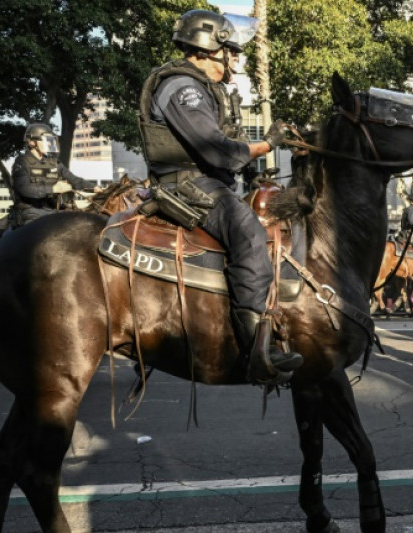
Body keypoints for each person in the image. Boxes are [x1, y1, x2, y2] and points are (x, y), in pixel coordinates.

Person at [139, 9, 302, 383]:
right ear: (211, 49)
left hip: (211, 180)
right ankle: (256, 348)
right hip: (188, 183)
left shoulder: (208, 89)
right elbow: (220, 152)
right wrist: (268, 144)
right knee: (247, 230)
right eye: (232, 51)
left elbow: (227, 155)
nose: (236, 60)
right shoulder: (184, 88)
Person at [10, 123, 101, 227]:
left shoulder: (54, 162)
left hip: (54, 209)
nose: (49, 144)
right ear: (31, 142)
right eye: (45, 140)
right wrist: (53, 189)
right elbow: (24, 189)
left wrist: (94, 188)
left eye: (50, 141)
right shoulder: (22, 162)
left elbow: (74, 180)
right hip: (31, 212)